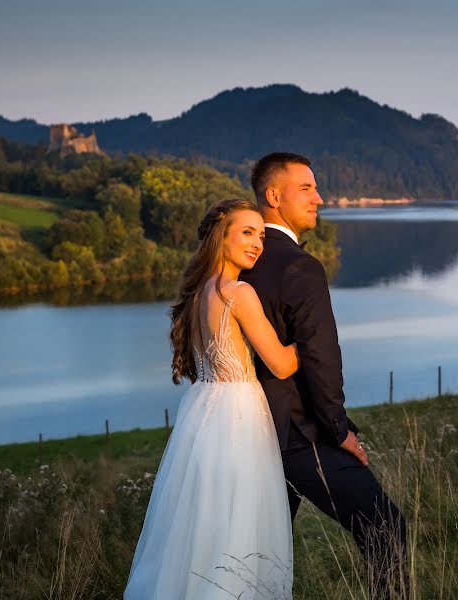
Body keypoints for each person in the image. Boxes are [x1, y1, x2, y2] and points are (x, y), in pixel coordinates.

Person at [240, 152, 408, 598]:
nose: (320, 198)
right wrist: (339, 431)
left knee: (258, 552)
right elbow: (321, 357)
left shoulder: (236, 262)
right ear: (274, 196)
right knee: (385, 525)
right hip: (299, 432)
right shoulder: (299, 266)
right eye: (307, 189)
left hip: (245, 430)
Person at [125, 199, 297, 600]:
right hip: (237, 413)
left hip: (203, 411)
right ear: (222, 235)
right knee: (237, 514)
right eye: (247, 232)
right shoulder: (238, 293)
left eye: (261, 235)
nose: (259, 243)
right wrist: (313, 335)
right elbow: (283, 364)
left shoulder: (200, 293)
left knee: (203, 515)